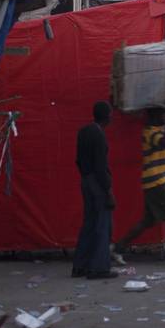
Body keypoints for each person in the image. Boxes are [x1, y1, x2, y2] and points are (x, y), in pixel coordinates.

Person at [114, 108, 165, 267]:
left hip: (154, 181)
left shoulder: (156, 129)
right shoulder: (150, 133)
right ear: (156, 116)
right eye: (163, 115)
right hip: (157, 181)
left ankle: (118, 247)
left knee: (147, 221)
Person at [73, 101, 118, 280]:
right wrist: (108, 190)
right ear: (107, 116)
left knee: (89, 223)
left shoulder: (83, 132)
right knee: (102, 224)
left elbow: (78, 160)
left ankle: (80, 265)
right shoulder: (99, 135)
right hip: (97, 182)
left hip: (85, 179)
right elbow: (100, 166)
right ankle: (99, 267)